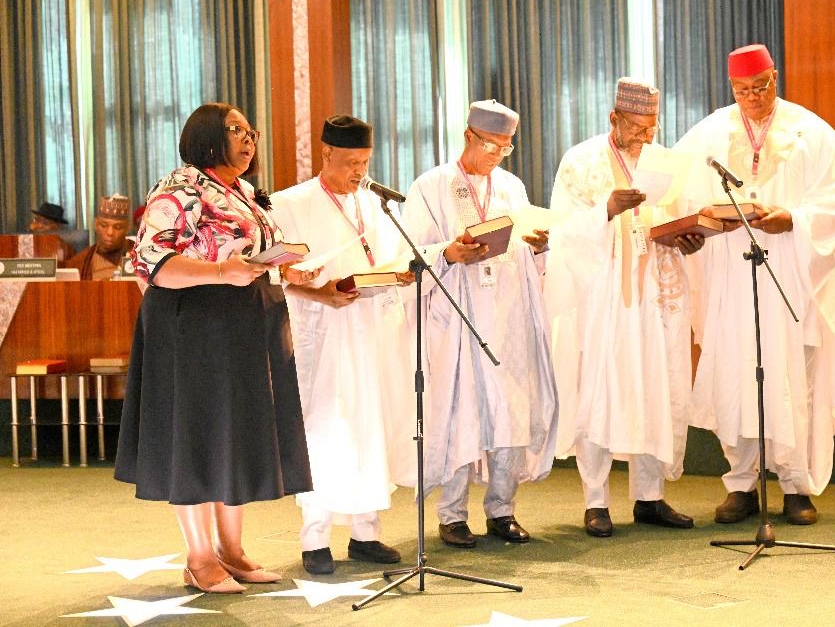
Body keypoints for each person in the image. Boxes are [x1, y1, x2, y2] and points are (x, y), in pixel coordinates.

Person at [114, 102, 317, 594]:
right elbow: (152, 260)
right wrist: (223, 271)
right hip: (193, 325)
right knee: (196, 435)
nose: (249, 139)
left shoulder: (243, 191)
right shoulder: (181, 186)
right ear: (207, 135)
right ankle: (199, 557)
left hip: (245, 323)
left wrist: (290, 271)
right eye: (236, 130)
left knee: (235, 433)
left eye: (252, 131)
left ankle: (231, 550)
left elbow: (252, 258)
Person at [673, 43, 835, 525]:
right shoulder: (708, 134)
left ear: (775, 77)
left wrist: (794, 220)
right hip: (729, 278)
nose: (752, 97)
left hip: (789, 276)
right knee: (734, 377)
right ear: (731, 87)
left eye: (760, 87)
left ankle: (796, 486)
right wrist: (691, 232)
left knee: (791, 379)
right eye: (742, 90)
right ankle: (741, 484)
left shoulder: (812, 133)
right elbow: (676, 198)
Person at [546, 78, 701, 538]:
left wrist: (686, 238)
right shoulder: (581, 161)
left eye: (651, 128)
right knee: (599, 394)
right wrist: (607, 211)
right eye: (636, 127)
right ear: (613, 118)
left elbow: (675, 216)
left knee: (656, 390)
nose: (644, 137)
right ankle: (596, 501)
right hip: (604, 301)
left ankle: (650, 497)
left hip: (654, 297)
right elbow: (562, 231)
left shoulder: (664, 162)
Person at [400, 99, 558, 548]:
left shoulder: (510, 186)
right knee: (459, 411)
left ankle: (502, 510)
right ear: (469, 136)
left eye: (506, 148)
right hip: (457, 316)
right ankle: (452, 515)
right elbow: (410, 254)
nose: (497, 155)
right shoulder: (431, 186)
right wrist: (448, 253)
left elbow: (523, 244)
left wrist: (539, 247)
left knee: (511, 412)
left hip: (508, 316)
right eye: (491, 145)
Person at [272, 115, 418, 575]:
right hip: (324, 334)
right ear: (327, 154)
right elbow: (273, 274)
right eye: (351, 162)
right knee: (324, 432)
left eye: (365, 162)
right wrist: (320, 291)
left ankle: (365, 533)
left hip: (374, 330)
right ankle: (315, 538)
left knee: (371, 428)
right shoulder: (289, 204)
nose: (359, 171)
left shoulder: (376, 204)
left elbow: (395, 256)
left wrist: (401, 273)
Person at [65, 194, 135, 280]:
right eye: (104, 225)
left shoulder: (141, 256)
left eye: (117, 227)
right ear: (96, 224)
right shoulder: (79, 262)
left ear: (128, 228)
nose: (110, 232)